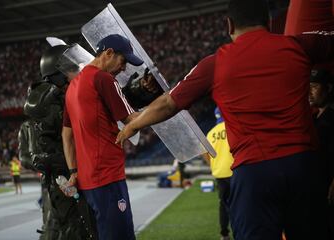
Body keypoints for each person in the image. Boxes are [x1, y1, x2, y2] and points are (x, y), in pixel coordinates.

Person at [116, 0, 334, 239]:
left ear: (229, 25)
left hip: (254, 172)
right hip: (303, 166)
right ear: (270, 22)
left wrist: (134, 124)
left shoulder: (215, 63)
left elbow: (168, 103)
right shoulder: (300, 45)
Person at [62, 34, 145, 240]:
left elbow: (66, 134)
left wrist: (73, 171)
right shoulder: (104, 78)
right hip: (107, 176)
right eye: (123, 61)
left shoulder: (72, 87)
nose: (124, 68)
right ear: (108, 53)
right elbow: (131, 120)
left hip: (87, 181)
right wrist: (166, 102)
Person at [18, 45, 97, 240]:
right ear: (60, 73)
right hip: (62, 188)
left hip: (77, 183)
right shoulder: (47, 108)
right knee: (67, 232)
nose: (77, 73)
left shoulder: (70, 101)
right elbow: (32, 158)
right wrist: (71, 163)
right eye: (72, 69)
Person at [309, 69, 334, 238]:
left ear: (328, 88)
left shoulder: (331, 118)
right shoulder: (315, 117)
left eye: (314, 86)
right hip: (316, 190)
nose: (309, 92)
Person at [203, 107, 233, 240]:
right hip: (235, 171)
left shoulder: (211, 133)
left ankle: (224, 234)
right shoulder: (233, 128)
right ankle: (240, 231)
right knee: (240, 203)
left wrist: (212, 164)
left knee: (223, 205)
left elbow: (204, 152)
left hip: (219, 173)